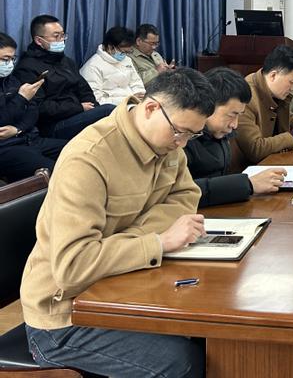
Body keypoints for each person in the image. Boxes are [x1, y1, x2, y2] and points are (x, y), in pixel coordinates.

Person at [21, 68, 214, 377]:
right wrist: (157, 242)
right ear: (151, 108)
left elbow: (185, 195)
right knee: (182, 362)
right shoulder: (88, 158)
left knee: (209, 333)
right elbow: (73, 266)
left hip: (118, 288)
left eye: (192, 135)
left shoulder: (165, 141)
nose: (182, 143)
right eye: (180, 132)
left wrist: (134, 239)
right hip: (62, 318)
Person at [185, 67, 288, 207]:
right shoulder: (184, 138)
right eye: (231, 115)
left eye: (239, 115)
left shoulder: (220, 134)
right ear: (208, 105)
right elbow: (183, 192)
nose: (235, 125)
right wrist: (248, 184)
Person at [14, 15, 114, 139]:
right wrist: (78, 108)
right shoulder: (27, 68)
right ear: (39, 40)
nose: (61, 40)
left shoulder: (66, 61)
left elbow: (84, 89)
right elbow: (40, 107)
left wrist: (92, 106)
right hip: (54, 125)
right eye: (56, 36)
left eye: (63, 35)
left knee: (120, 112)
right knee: (109, 111)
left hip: (79, 114)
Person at [0, 32, 66, 181]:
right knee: (57, 170)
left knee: (77, 150)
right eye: (5, 59)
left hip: (28, 138)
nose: (10, 64)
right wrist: (21, 98)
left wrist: (18, 129)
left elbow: (33, 109)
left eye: (12, 59)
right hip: (6, 148)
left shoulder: (11, 80)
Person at [80, 26, 146, 105]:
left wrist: (140, 96)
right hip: (112, 107)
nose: (125, 55)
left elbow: (136, 82)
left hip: (133, 103)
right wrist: (127, 100)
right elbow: (97, 100)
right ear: (110, 47)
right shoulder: (92, 67)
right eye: (123, 52)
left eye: (128, 52)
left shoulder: (127, 60)